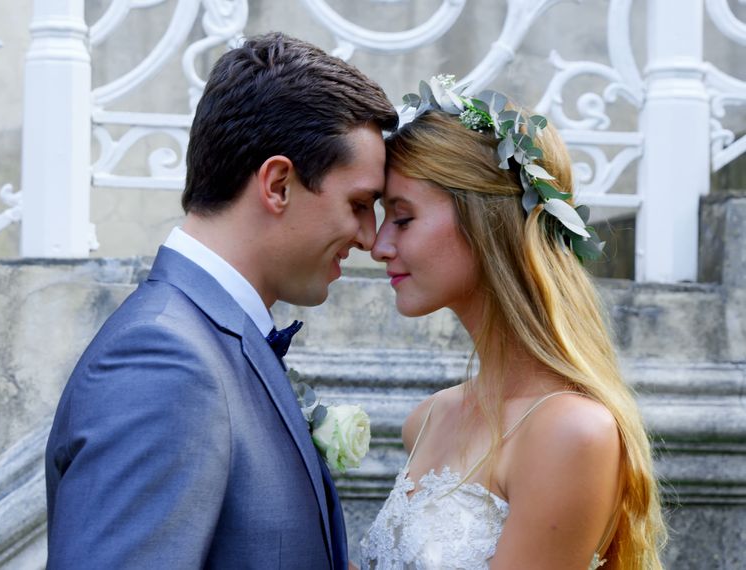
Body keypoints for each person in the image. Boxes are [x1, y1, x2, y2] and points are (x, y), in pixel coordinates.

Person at [45, 32, 397, 569]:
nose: (370, 238)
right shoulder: (165, 360)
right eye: (359, 204)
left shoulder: (208, 339)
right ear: (278, 184)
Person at [360, 76, 666, 569]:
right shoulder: (429, 420)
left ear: (485, 219)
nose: (378, 246)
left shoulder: (569, 432)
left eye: (403, 217)